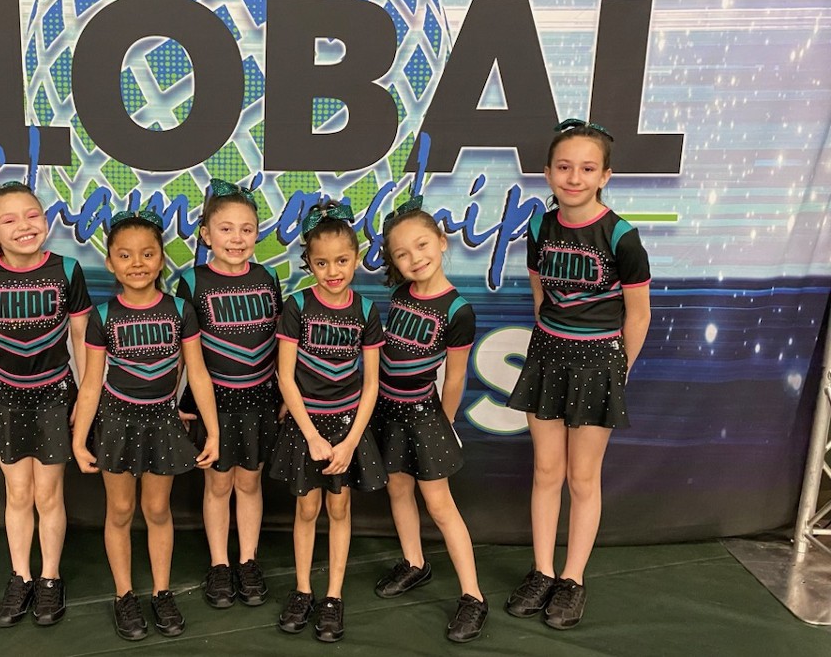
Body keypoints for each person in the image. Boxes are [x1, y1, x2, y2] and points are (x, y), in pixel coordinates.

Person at [504, 119, 652, 630]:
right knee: (546, 471)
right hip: (547, 355)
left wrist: (618, 371)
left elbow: (638, 316)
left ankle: (572, 579)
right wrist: (550, 340)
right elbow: (540, 292)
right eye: (564, 167)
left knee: (582, 477)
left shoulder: (622, 236)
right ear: (547, 172)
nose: (574, 177)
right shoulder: (540, 227)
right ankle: (542, 571)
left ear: (604, 176)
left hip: (599, 363)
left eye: (587, 169)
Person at [70, 210, 221, 641]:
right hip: (117, 423)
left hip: (162, 421)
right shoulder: (104, 315)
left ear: (161, 259)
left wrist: (213, 430)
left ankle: (161, 591)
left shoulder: (180, 310)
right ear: (110, 262)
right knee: (120, 510)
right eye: (125, 255)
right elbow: (91, 384)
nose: (137, 263)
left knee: (157, 510)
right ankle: (124, 595)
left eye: (147, 254)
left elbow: (198, 373)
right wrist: (79, 440)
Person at [0, 181, 91, 627]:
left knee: (48, 493)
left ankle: (50, 577)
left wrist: (86, 400)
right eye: (9, 219)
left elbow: (83, 339)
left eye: (32, 214)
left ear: (45, 220)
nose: (24, 225)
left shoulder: (66, 270)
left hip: (55, 393)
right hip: (5, 396)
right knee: (18, 492)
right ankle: (21, 576)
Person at [270, 201, 388, 643]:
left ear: (356, 258)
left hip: (347, 428)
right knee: (307, 508)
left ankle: (333, 596)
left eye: (341, 261)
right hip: (308, 427)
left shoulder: (366, 311)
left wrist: (350, 442)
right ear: (309, 262)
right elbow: (285, 376)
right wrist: (312, 436)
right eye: (321, 263)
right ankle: (303, 589)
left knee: (339, 508)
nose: (332, 271)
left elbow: (371, 384)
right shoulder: (297, 305)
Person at [371, 195, 487, 642]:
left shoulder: (458, 311)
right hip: (388, 410)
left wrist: (445, 425)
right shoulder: (401, 295)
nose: (414, 258)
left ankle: (473, 595)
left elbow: (454, 377)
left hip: (425, 415)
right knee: (397, 488)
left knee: (439, 505)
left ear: (441, 241)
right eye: (402, 254)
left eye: (421, 245)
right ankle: (414, 562)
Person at [175, 179, 282, 610]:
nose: (237, 239)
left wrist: (283, 396)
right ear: (206, 234)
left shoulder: (267, 277)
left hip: (259, 399)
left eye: (246, 229)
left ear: (257, 234)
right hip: (213, 401)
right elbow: (182, 353)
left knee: (250, 481)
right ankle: (220, 563)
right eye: (226, 229)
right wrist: (174, 401)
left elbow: (278, 344)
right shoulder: (192, 282)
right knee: (218, 483)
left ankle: (248, 560)